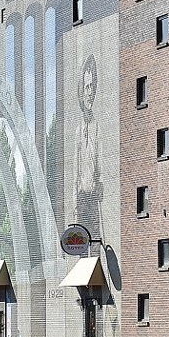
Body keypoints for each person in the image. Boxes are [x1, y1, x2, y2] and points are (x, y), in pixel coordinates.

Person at [73, 55, 102, 233]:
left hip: (93, 194)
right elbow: (75, 170)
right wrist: (75, 200)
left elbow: (99, 161)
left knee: (96, 238)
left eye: (92, 87)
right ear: (81, 93)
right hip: (81, 196)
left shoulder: (97, 127)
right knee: (80, 239)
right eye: (87, 87)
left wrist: (100, 184)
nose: (90, 92)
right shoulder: (78, 130)